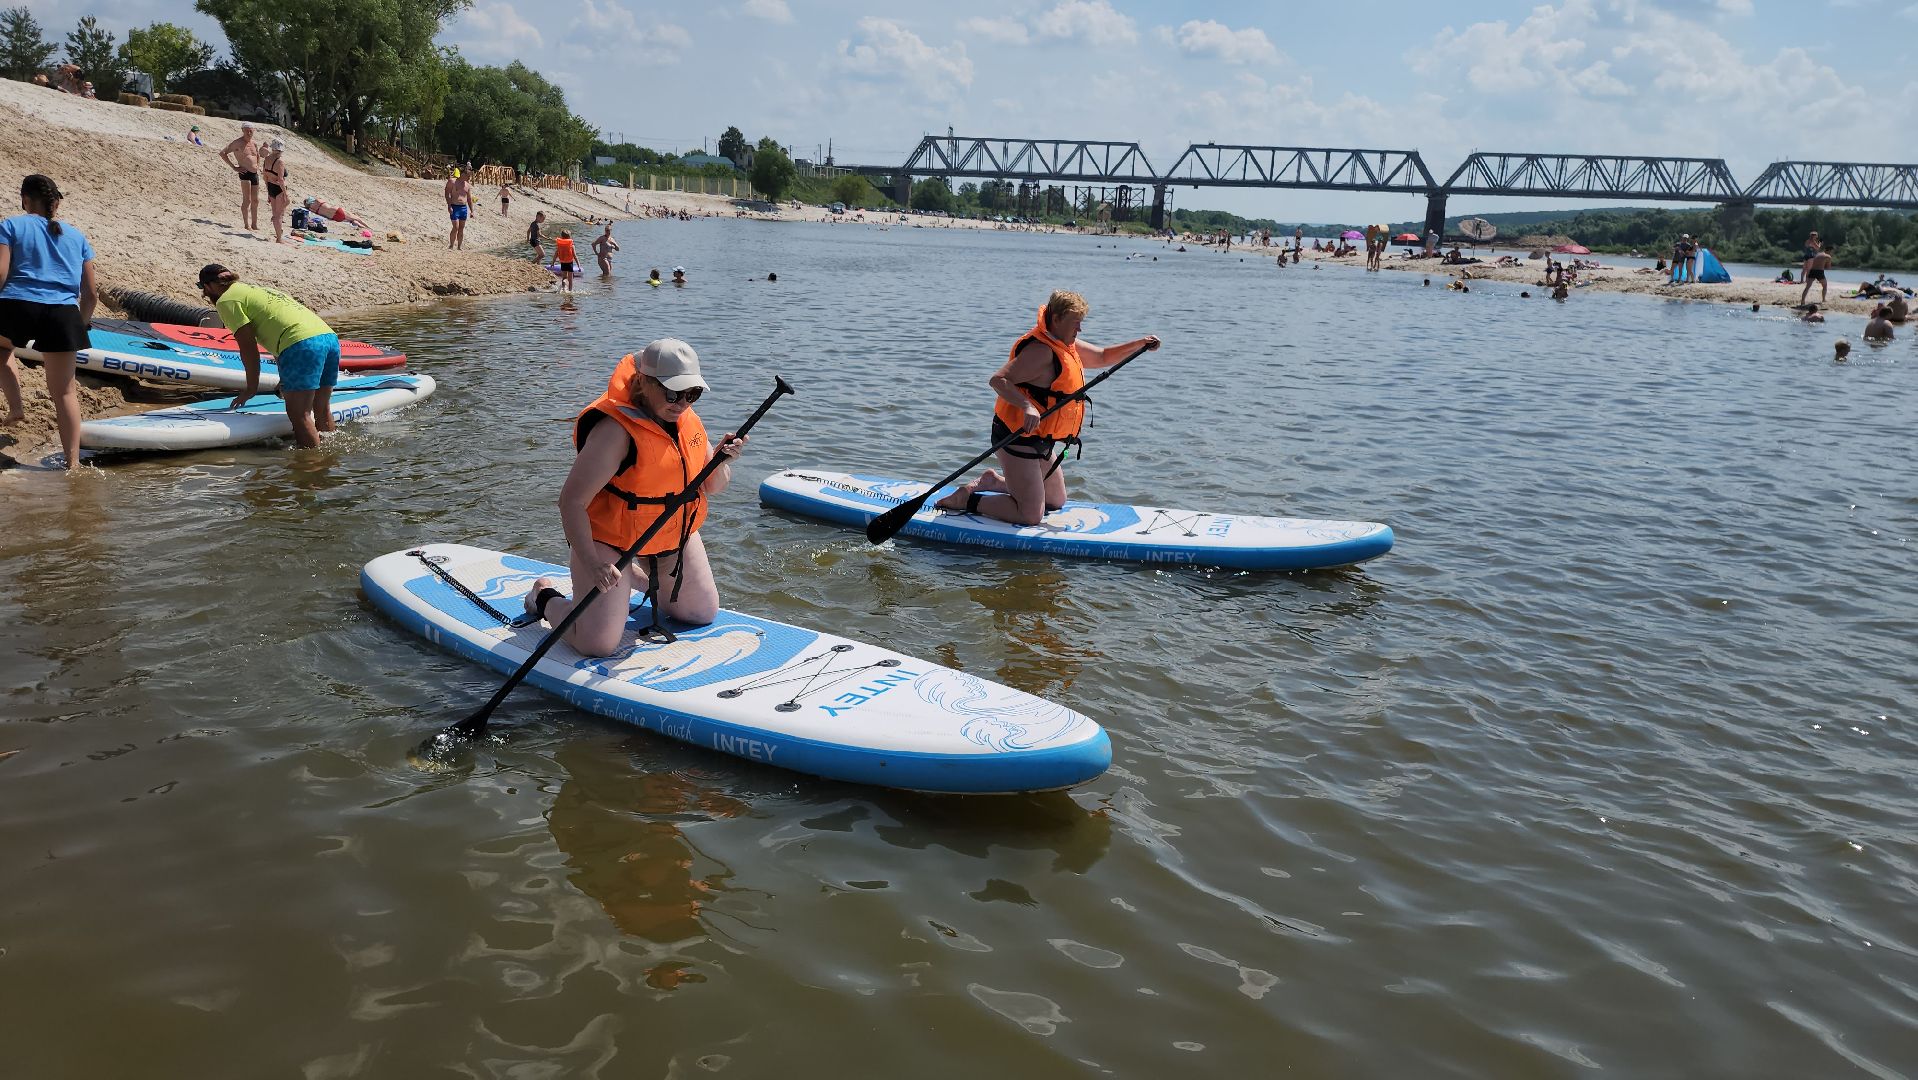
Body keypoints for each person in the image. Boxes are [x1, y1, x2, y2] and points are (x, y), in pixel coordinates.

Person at [520, 340, 749, 656]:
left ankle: (634, 581)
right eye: (672, 393)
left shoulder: (685, 420)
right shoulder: (614, 431)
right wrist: (592, 562)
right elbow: (570, 502)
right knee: (596, 644)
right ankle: (544, 596)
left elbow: (712, 486)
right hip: (610, 541)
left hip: (668, 534)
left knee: (700, 613)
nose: (682, 402)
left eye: (691, 393)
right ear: (644, 381)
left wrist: (722, 462)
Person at [933, 290, 1160, 525]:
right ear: (1057, 319)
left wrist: (1140, 344)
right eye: (1075, 323)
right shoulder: (1040, 351)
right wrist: (1026, 406)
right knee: (1030, 515)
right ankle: (966, 500)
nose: (1079, 329)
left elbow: (1102, 357)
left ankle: (992, 482)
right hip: (1016, 436)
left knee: (1056, 500)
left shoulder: (1066, 345)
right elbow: (998, 380)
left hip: (1041, 437)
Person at [0, 175, 96, 468]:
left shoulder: (11, 225)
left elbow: (1, 274)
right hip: (63, 314)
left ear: (25, 199)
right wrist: (80, 324)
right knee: (65, 392)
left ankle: (16, 408)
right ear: (55, 203)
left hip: (18, 305)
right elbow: (90, 293)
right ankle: (73, 465)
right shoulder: (77, 237)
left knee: (3, 349)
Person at [196, 264, 339, 449]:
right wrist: (284, 377)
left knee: (299, 414)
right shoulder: (258, 290)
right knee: (321, 408)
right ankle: (331, 459)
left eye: (202, 290)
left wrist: (251, 388)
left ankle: (310, 468)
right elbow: (279, 327)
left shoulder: (226, 301)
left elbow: (248, 348)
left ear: (208, 287)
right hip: (329, 338)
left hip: (301, 344)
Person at [219, 122, 262, 232]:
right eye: (247, 130)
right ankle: (246, 224)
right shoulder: (237, 143)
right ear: (243, 130)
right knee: (247, 200)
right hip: (244, 172)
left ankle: (254, 224)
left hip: (254, 173)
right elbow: (223, 153)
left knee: (255, 200)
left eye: (251, 131)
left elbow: (257, 155)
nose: (249, 132)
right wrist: (234, 167)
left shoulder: (254, 144)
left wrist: (258, 166)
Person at [260, 138, 290, 245]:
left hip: (271, 187)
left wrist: (268, 191)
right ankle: (279, 239)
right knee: (279, 215)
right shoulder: (280, 161)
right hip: (279, 189)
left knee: (276, 213)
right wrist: (286, 195)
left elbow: (265, 177)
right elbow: (281, 180)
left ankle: (279, 234)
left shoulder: (267, 159)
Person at [301, 196, 369, 231]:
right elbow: (318, 199)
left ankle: (362, 227)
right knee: (357, 218)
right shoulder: (318, 201)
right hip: (336, 210)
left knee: (352, 221)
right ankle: (369, 228)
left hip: (334, 217)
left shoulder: (312, 209)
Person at [444, 168, 472, 250]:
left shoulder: (467, 185)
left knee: (461, 228)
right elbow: (447, 194)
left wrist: (472, 211)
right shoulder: (452, 181)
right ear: (463, 174)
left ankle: (459, 246)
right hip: (454, 206)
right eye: (468, 176)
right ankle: (451, 245)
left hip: (463, 208)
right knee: (455, 227)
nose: (469, 178)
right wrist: (449, 206)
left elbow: (469, 199)